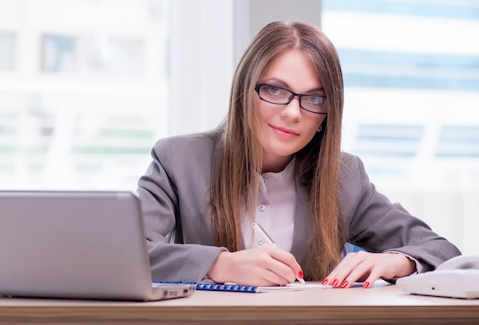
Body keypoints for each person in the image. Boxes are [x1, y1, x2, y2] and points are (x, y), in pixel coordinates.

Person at [136, 21, 461, 289]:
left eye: (315, 99)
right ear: (245, 91)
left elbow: (442, 252)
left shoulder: (345, 178)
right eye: (276, 90)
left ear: (327, 115)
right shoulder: (178, 160)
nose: (293, 113)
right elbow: (129, 254)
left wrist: (397, 260)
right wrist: (219, 264)